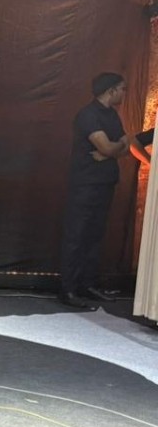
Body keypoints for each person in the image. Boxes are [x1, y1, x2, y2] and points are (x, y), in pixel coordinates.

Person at [61, 73, 132, 310]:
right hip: (85, 185)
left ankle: (87, 284)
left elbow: (126, 145)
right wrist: (112, 149)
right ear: (111, 90)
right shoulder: (88, 115)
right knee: (77, 236)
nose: (124, 93)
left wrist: (111, 150)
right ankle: (69, 288)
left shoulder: (112, 115)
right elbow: (109, 146)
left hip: (105, 183)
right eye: (122, 89)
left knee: (95, 236)